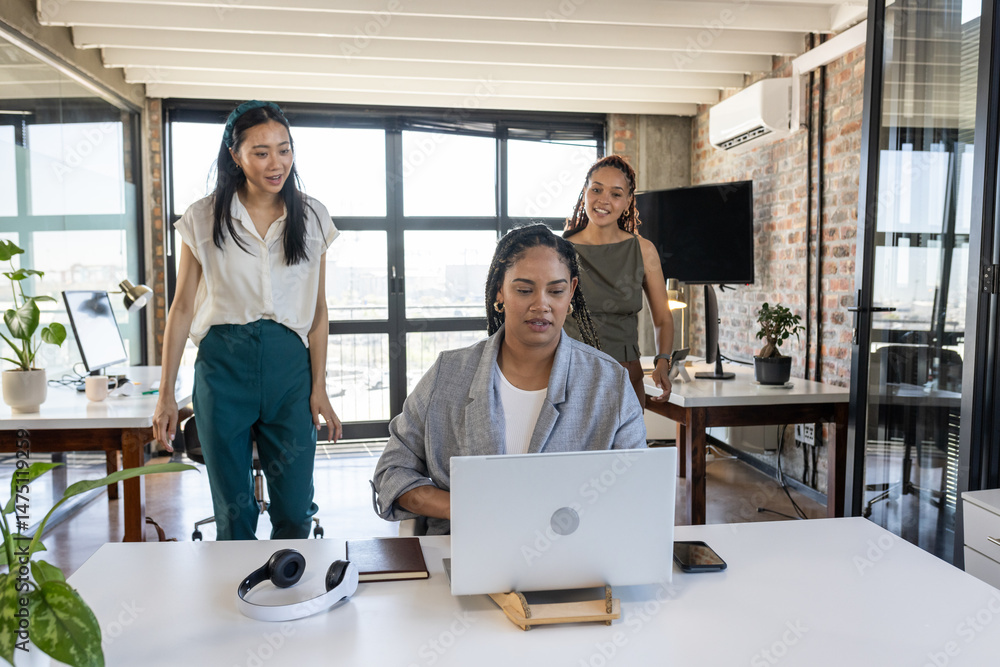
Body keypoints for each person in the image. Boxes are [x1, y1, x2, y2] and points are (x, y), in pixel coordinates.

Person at [372, 225, 646, 535]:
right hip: (465, 554)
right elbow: (391, 473)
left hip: (575, 558)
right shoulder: (448, 375)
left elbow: (636, 489)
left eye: (555, 291)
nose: (540, 305)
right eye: (524, 289)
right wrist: (466, 508)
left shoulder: (609, 383)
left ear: (571, 291)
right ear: (500, 291)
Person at [152, 100, 342, 540]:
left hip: (288, 370)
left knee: (295, 510)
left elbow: (318, 311)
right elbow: (181, 307)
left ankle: (290, 594)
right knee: (234, 516)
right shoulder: (202, 218)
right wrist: (166, 394)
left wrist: (319, 388)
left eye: (284, 149)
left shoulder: (312, 217)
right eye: (261, 152)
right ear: (235, 156)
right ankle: (237, 601)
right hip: (223, 369)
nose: (276, 163)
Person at [564, 155, 675, 408]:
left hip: (625, 375)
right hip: (571, 373)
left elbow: (663, 318)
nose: (603, 200)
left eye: (615, 194)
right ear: (585, 193)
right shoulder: (562, 249)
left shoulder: (643, 251)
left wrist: (662, 362)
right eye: (596, 189)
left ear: (627, 202)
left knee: (625, 447)